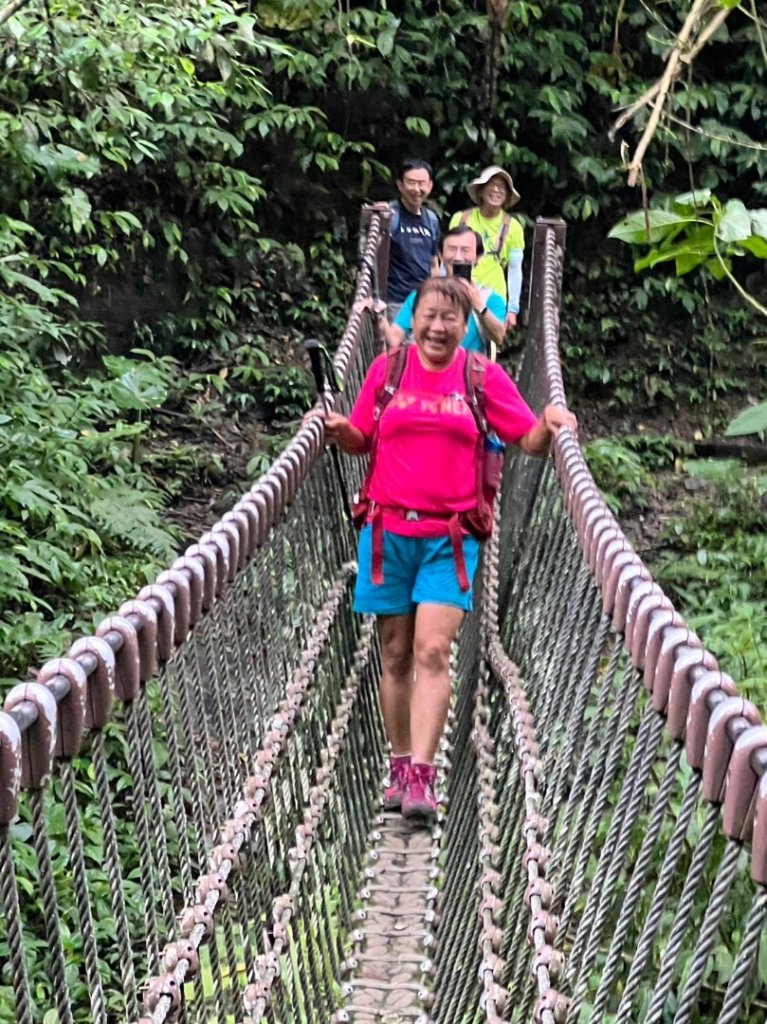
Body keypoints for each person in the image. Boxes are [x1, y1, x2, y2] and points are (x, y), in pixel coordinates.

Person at [312, 277, 576, 825]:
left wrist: (550, 426)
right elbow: (361, 437)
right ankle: (399, 764)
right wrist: (336, 430)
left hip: (449, 540)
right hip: (386, 533)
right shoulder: (387, 370)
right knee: (394, 653)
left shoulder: (481, 376)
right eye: (428, 316)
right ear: (413, 320)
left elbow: (526, 440)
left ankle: (422, 778)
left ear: (464, 325)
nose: (437, 327)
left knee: (432, 650)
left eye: (449, 318)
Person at [380, 224, 505, 356]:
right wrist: (378, 315)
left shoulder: (491, 299)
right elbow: (394, 340)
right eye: (452, 249)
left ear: (478, 257)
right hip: (427, 366)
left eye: (465, 250)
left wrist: (478, 305)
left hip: (467, 368)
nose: (458, 257)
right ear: (440, 255)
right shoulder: (421, 296)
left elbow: (499, 336)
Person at [449, 165, 524, 333]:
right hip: (460, 291)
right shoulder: (461, 219)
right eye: (491, 185)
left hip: (494, 297)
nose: (496, 190)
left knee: (490, 342)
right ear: (481, 191)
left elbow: (515, 269)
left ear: (507, 196)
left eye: (501, 187)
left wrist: (512, 309)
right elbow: (447, 258)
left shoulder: (514, 227)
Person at [385, 159, 441, 322]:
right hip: (395, 302)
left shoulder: (431, 220)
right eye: (411, 183)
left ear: (430, 186)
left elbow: (434, 263)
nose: (417, 189)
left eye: (422, 183)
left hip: (424, 302)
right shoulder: (389, 215)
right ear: (400, 185)